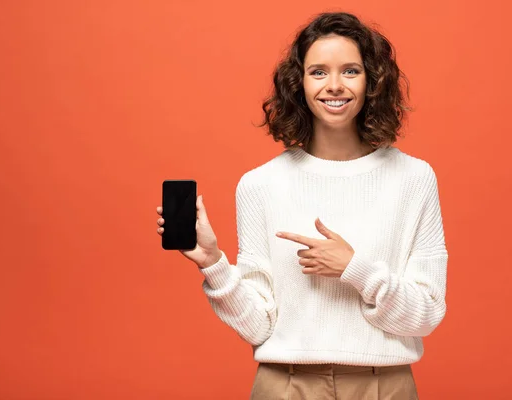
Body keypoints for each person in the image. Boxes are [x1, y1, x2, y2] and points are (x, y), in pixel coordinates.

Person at [156, 11, 447, 400]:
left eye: (350, 71)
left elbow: (426, 315)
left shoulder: (414, 179)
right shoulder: (260, 184)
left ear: (373, 81)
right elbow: (259, 326)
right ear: (299, 84)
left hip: (384, 384)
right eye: (318, 72)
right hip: (286, 385)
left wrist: (355, 269)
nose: (335, 86)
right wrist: (212, 262)